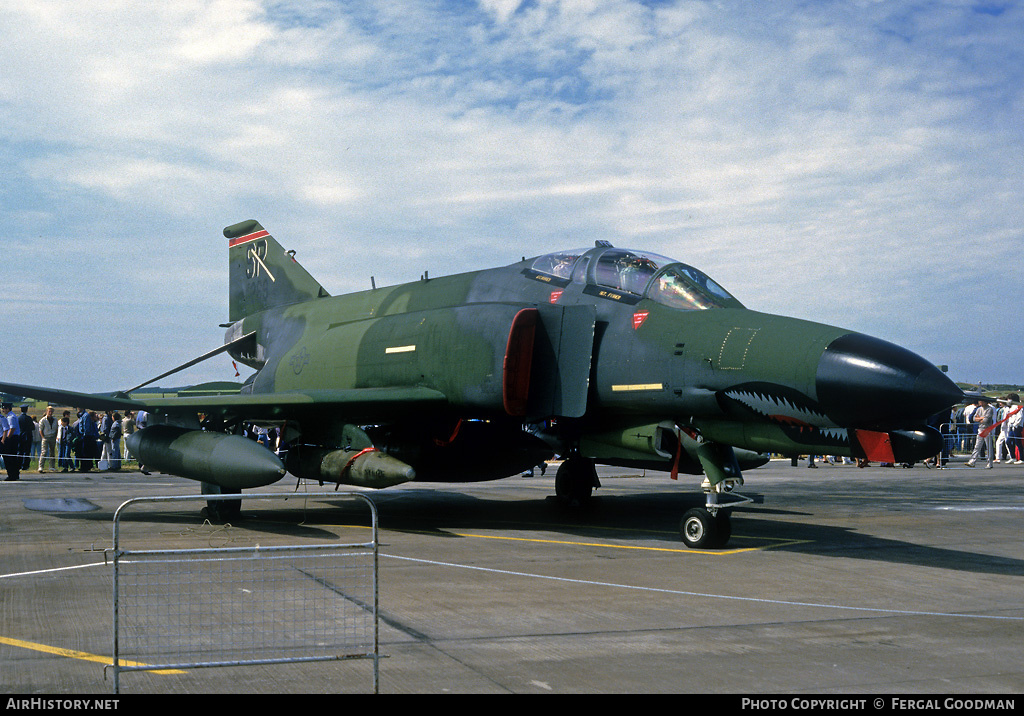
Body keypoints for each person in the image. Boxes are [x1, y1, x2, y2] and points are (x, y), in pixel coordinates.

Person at [967, 399, 994, 468]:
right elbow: (973, 418)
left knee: (989, 447)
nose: (980, 403)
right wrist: (980, 418)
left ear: (985, 402)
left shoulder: (989, 409)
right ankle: (972, 461)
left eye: (981, 401)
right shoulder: (979, 409)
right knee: (977, 446)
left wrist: (979, 418)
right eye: (979, 401)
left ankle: (989, 463)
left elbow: (986, 420)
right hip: (980, 429)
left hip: (987, 429)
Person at [1, 403, 22, 481]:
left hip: (12, 438)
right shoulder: (11, 416)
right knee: (13, 457)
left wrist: (7, 438)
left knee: (9, 458)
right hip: (14, 438)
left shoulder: (10, 417)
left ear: (8, 409)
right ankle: (15, 474)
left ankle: (11, 475)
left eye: (4, 408)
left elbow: (12, 429)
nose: (3, 410)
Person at [38, 405, 59, 472]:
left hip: (52, 437)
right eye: (49, 411)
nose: (50, 413)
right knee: (44, 452)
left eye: (51, 411)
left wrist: (55, 436)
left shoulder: (55, 420)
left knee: (52, 452)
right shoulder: (43, 420)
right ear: (47, 411)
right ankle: (41, 466)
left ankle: (52, 466)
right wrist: (43, 437)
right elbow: (40, 429)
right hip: (46, 437)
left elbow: (56, 429)